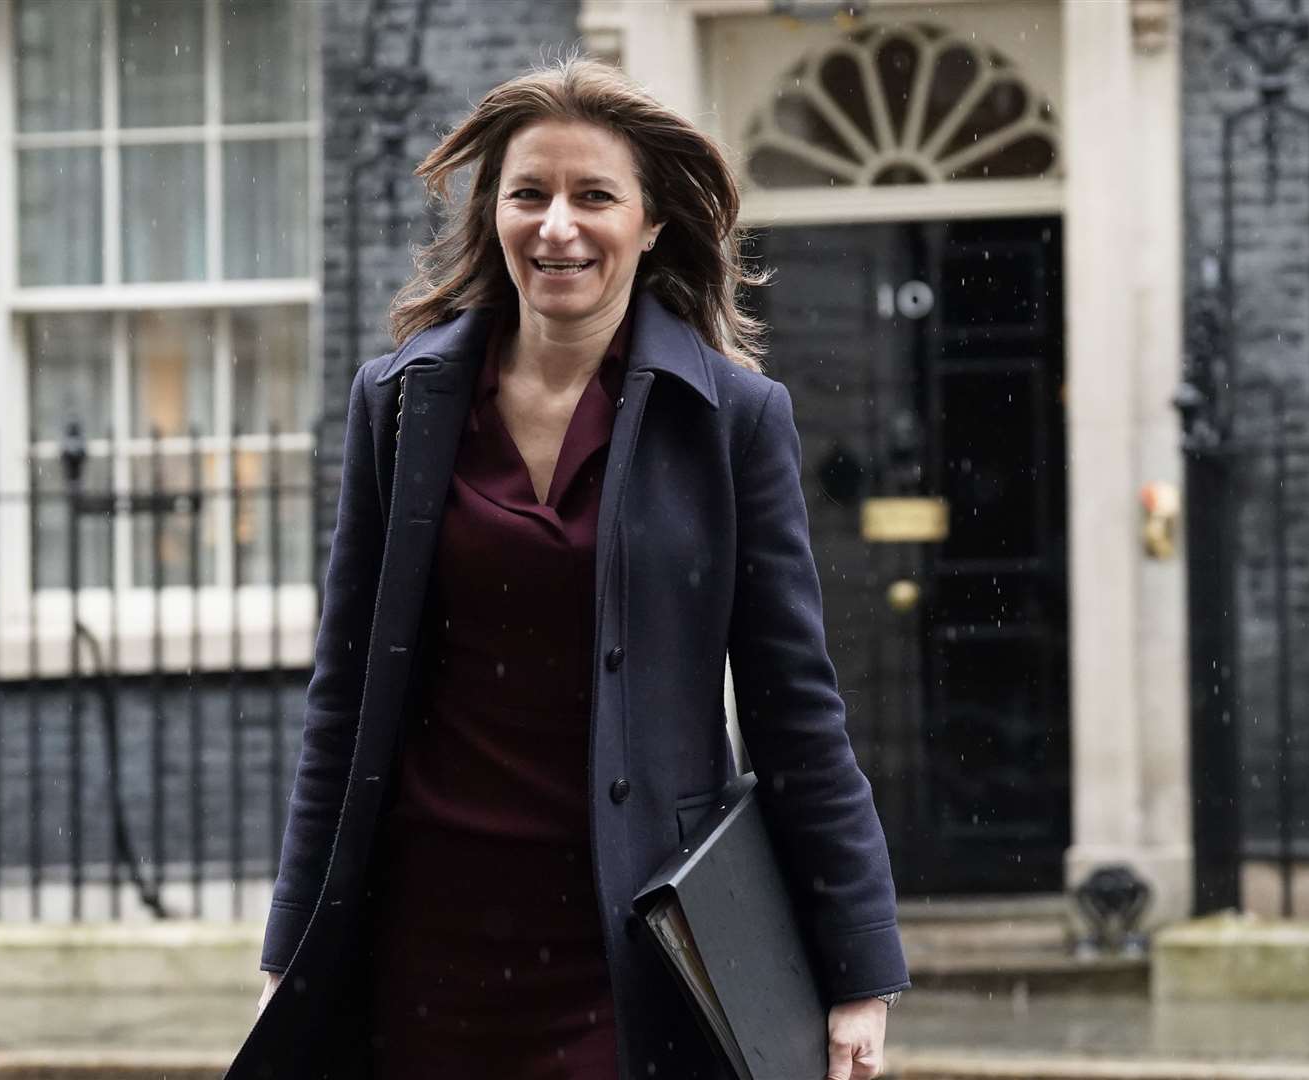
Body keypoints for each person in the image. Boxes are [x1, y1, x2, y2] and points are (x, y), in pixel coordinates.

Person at [229, 56, 908, 1080]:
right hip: (429, 941)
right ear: (493, 214)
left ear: (651, 223)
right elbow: (345, 698)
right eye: (529, 193)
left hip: (631, 940)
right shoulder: (402, 405)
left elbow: (795, 708)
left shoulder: (732, 421)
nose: (558, 225)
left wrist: (860, 967)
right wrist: (293, 948)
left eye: (595, 195)